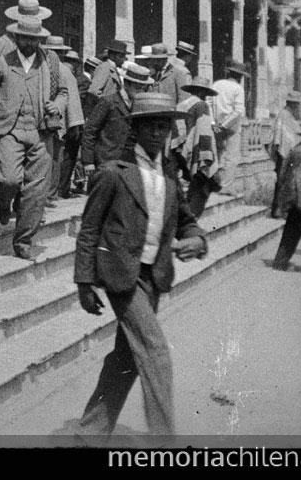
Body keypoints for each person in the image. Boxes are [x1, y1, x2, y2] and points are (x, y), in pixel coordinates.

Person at [72, 90, 208, 440]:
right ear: (137, 128)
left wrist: (197, 239)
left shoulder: (168, 174)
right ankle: (165, 442)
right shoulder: (114, 172)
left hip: (155, 274)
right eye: (150, 126)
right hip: (121, 274)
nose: (156, 133)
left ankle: (90, 432)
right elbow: (88, 230)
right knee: (156, 351)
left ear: (169, 131)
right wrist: (84, 283)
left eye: (163, 127)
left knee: (127, 358)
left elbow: (186, 222)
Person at [0, 0, 71, 261]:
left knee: (36, 191)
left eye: (35, 40)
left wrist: (58, 104)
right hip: (10, 130)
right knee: (9, 179)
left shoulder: (50, 61)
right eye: (26, 39)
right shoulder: (2, 59)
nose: (31, 44)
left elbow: (64, 92)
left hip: (41, 132)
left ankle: (23, 241)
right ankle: (3, 199)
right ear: (17, 37)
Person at [43, 35, 87, 201]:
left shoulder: (63, 71)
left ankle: (51, 193)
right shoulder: (44, 67)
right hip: (46, 119)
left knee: (53, 158)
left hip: (56, 121)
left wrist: (74, 124)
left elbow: (72, 99)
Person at [81, 62, 147, 169]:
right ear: (126, 84)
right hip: (105, 161)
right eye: (137, 87)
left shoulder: (140, 105)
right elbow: (90, 130)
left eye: (143, 88)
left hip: (129, 163)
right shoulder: (108, 101)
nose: (141, 91)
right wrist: (88, 161)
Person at [267, 110, 301, 271]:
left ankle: (280, 261)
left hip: (294, 196)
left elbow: (283, 173)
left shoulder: (295, 150)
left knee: (291, 231)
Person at [175, 76, 222, 218]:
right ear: (203, 92)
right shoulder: (202, 105)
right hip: (197, 152)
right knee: (201, 189)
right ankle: (191, 220)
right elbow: (204, 133)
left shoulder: (182, 104)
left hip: (181, 150)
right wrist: (207, 159)